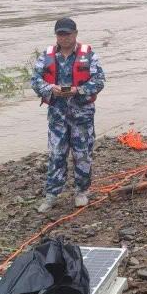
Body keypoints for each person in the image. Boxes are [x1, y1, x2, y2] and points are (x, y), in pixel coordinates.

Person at [30, 17, 106, 213]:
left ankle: (81, 191)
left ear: (75, 34)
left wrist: (77, 90)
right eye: (60, 34)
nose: (64, 38)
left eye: (67, 34)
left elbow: (99, 81)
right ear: (56, 35)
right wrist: (50, 88)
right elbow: (35, 80)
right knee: (56, 154)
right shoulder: (46, 57)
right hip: (57, 116)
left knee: (82, 154)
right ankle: (51, 195)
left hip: (82, 115)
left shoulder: (89, 56)